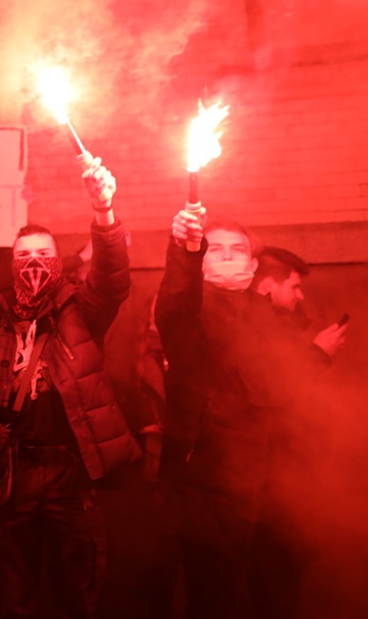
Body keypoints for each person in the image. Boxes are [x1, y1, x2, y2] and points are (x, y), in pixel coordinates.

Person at [0, 160, 139, 619]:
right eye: (24, 255)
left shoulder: (79, 309)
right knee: (14, 591)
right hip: (12, 470)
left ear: (59, 261)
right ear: (11, 264)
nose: (34, 263)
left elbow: (112, 280)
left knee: (79, 588)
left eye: (44, 254)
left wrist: (103, 210)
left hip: (72, 470)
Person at [157, 215, 346, 619]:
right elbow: (175, 304)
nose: (228, 257)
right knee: (216, 598)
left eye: (238, 249)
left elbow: (283, 384)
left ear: (253, 263)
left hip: (271, 484)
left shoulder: (263, 313)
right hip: (211, 484)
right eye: (215, 249)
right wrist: (185, 250)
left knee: (273, 594)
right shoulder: (193, 307)